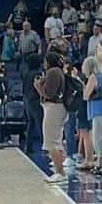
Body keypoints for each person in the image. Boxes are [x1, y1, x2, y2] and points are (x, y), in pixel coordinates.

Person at [37, 51, 68, 184]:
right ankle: (60, 170)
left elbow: (49, 93)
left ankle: (59, 171)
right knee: (56, 139)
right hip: (57, 108)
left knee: (51, 140)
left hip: (54, 108)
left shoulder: (53, 72)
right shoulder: (59, 71)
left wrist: (39, 87)